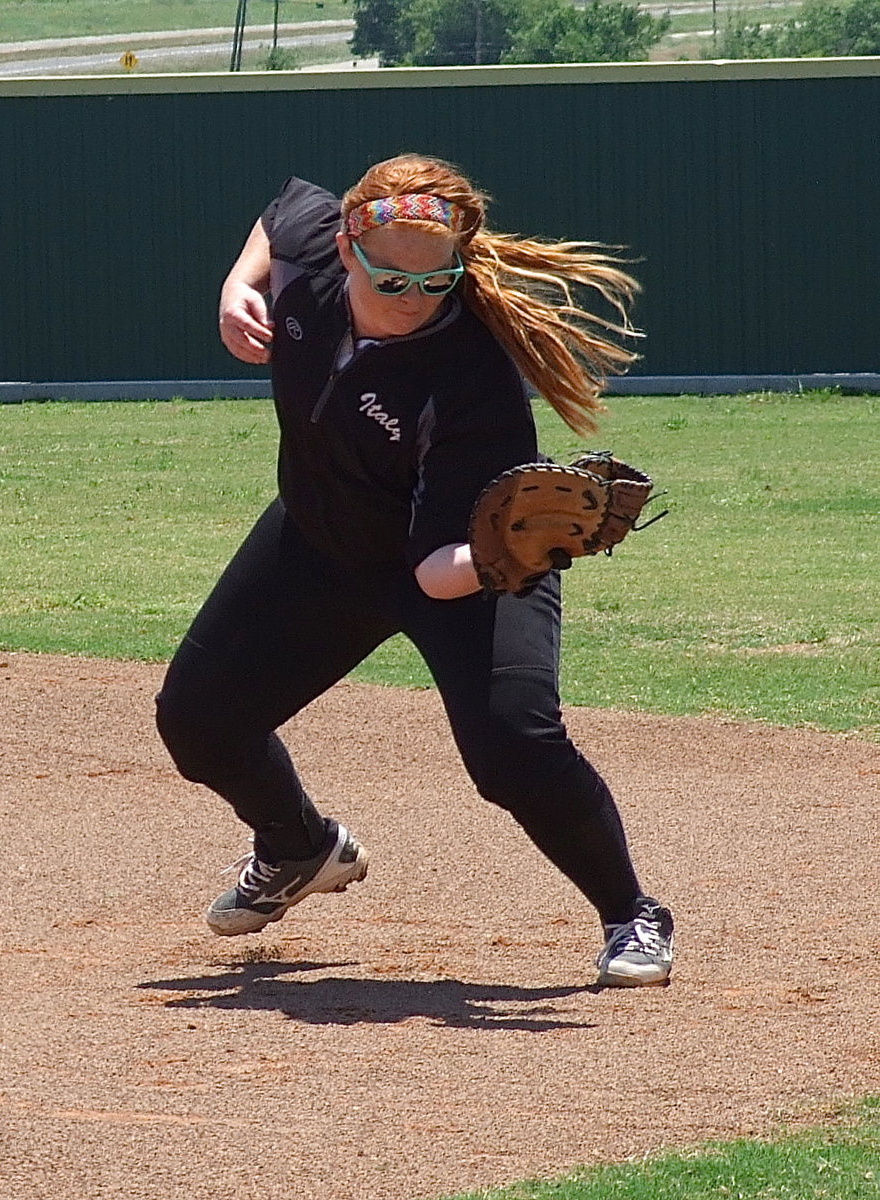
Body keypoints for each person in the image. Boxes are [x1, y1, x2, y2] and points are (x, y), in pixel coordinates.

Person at [155, 153, 674, 987]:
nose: (413, 300)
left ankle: (633, 915)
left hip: (466, 561)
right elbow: (280, 212)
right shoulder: (317, 255)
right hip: (323, 541)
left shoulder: (470, 378)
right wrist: (236, 285)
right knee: (198, 717)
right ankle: (298, 848)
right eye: (390, 281)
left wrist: (519, 552)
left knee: (512, 749)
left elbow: (433, 574)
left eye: (436, 284)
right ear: (348, 249)